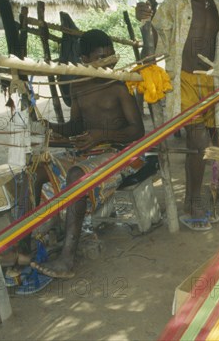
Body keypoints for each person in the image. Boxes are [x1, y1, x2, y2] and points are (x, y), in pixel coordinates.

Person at [30, 29, 145, 278]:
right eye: (100, 58)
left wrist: (102, 135)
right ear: (84, 60)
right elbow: (77, 125)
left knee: (75, 176)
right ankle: (23, 243)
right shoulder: (79, 87)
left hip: (119, 153)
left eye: (111, 57)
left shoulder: (118, 86)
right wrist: (50, 128)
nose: (108, 63)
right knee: (35, 170)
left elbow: (138, 130)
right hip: (87, 151)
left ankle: (67, 259)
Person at [136, 0, 219, 231]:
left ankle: (189, 200)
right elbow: (155, 39)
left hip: (209, 82)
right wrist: (144, 22)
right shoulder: (176, 2)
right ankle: (197, 200)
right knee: (199, 143)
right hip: (184, 80)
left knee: (199, 148)